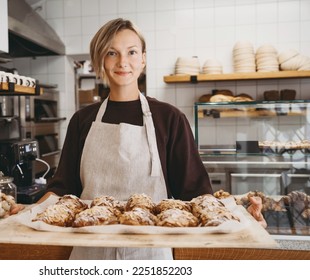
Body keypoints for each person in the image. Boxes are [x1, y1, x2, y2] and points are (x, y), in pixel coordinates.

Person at [39, 18, 265, 259]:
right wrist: (30, 210)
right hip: (90, 251)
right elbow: (63, 188)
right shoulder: (82, 120)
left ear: (143, 59)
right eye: (112, 53)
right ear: (100, 61)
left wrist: (241, 217)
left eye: (132, 52)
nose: (123, 62)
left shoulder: (169, 118)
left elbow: (196, 192)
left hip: (151, 254)